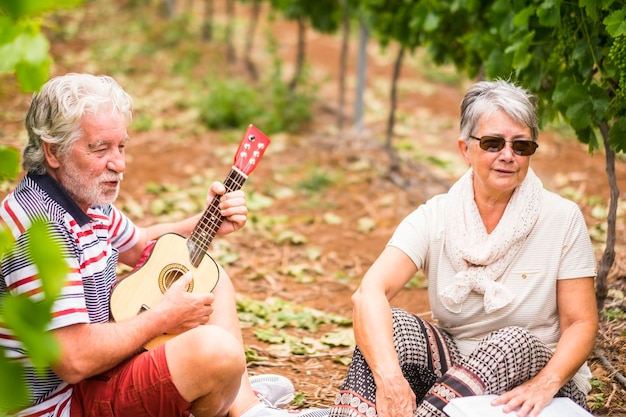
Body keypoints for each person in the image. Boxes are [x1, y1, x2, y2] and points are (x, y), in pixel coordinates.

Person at [0, 73, 322, 417]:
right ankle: (216, 390)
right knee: (216, 352)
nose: (119, 164)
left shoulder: (84, 200)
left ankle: (246, 407)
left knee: (209, 277)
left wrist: (208, 220)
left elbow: (142, 245)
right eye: (100, 148)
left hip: (95, 375)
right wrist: (162, 317)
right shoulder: (40, 231)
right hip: (62, 404)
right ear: (53, 151)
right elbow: (75, 361)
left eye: (121, 146)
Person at [328, 80, 598, 417]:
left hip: (540, 383)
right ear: (464, 149)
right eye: (492, 143)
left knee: (510, 340)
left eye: (521, 146)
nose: (507, 156)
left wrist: (547, 382)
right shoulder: (436, 215)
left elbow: (581, 323)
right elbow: (368, 294)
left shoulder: (561, 218)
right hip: (456, 370)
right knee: (390, 324)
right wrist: (391, 380)